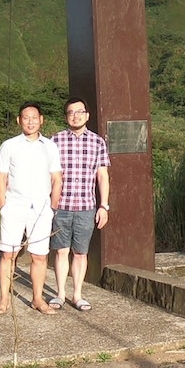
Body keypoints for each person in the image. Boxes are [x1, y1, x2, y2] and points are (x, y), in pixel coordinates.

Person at [0, 100, 62, 315]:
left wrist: (52, 206)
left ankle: (38, 299)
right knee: (8, 254)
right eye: (26, 117)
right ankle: (4, 300)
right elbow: (0, 178)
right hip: (14, 205)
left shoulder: (50, 146)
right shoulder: (9, 145)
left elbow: (56, 178)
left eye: (34, 117)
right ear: (19, 120)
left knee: (40, 256)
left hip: (41, 208)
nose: (30, 121)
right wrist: (3, 206)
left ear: (41, 120)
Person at [49, 95, 109, 311]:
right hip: (61, 206)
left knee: (81, 252)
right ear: (66, 116)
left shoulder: (98, 142)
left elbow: (102, 176)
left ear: (87, 115)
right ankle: (60, 294)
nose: (75, 116)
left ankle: (77, 295)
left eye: (79, 112)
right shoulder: (55, 141)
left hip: (86, 206)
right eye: (71, 112)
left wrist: (104, 206)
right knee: (61, 251)